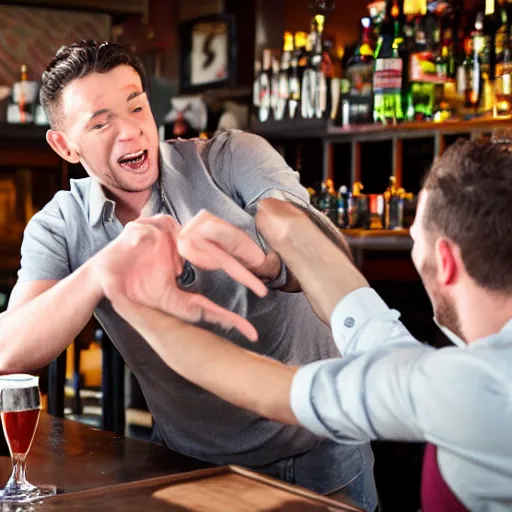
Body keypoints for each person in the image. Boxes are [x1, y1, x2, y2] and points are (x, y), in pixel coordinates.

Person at [0, 40, 377, 510]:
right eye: (101, 122)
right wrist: (103, 268)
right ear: (65, 145)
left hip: (323, 454)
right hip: (190, 466)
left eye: (136, 105)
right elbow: (9, 351)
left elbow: (330, 255)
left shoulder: (232, 158)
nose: (130, 131)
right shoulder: (61, 225)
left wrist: (267, 261)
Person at [103, 139, 512, 512]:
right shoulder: (477, 376)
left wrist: (136, 303)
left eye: (414, 235)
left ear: (445, 260)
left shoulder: (470, 388)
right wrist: (276, 241)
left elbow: (270, 390)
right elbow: (378, 337)